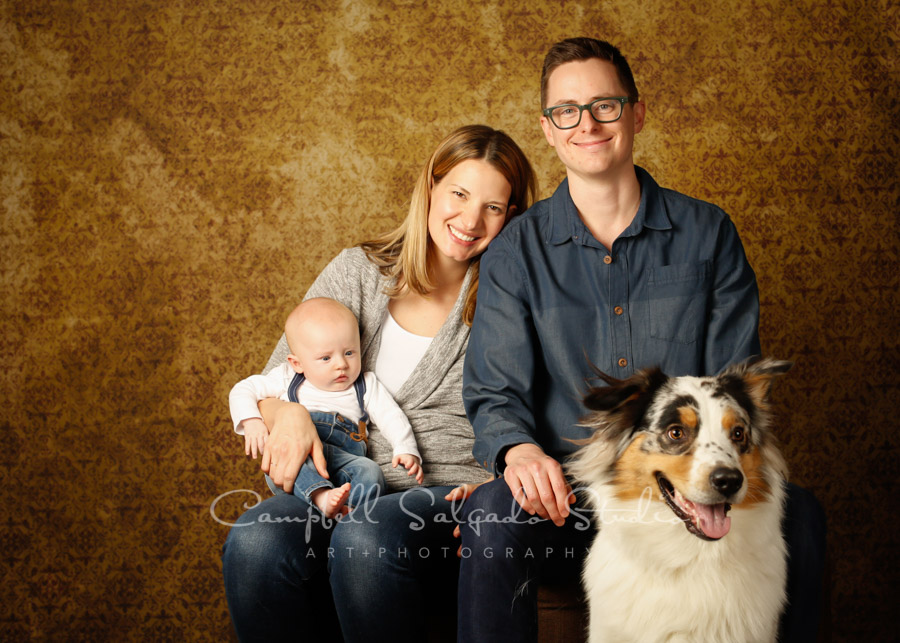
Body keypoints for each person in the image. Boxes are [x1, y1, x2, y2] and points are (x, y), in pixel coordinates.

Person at [459, 38, 827, 642]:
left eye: (605, 104)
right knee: (489, 514)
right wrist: (517, 452)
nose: (588, 123)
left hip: (678, 492)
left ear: (637, 112)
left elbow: (734, 386)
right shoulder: (515, 252)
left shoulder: (708, 233)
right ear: (549, 130)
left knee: (804, 517)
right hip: (567, 499)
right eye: (567, 111)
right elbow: (496, 391)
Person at [221, 124, 537, 642]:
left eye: (494, 207)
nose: (470, 219)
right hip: (338, 484)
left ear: (512, 217)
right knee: (257, 540)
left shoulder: (511, 299)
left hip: (443, 490)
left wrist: (500, 484)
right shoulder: (357, 272)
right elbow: (275, 381)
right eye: (458, 193)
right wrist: (291, 414)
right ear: (430, 187)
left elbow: (538, 408)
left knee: (365, 537)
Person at [229, 297, 423, 518]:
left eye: (349, 352)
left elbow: (391, 416)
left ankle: (349, 514)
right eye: (326, 358)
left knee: (371, 472)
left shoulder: (365, 384)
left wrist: (405, 448)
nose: (341, 364)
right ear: (297, 363)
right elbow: (242, 389)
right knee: (285, 460)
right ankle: (320, 496)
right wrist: (251, 421)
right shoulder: (287, 377)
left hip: (346, 459)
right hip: (301, 457)